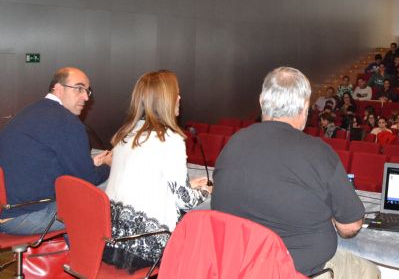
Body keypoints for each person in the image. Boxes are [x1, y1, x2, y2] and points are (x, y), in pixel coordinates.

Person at [211, 67, 379, 278]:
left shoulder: (233, 143)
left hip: (238, 267)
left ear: (262, 101)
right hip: (296, 272)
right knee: (370, 271)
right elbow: (350, 226)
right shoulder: (318, 152)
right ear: (305, 107)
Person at [102, 71, 211, 270]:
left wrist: (188, 185)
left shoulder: (126, 135)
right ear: (165, 100)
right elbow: (185, 201)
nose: (180, 98)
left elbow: (144, 182)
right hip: (146, 247)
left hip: (110, 241)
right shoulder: (169, 140)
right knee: (208, 221)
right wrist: (206, 190)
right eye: (176, 94)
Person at [0, 67, 111, 235]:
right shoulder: (67, 122)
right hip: (26, 215)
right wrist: (108, 165)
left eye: (87, 91)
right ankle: (84, 253)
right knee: (110, 202)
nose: (86, 97)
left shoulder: (29, 112)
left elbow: (44, 162)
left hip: (7, 210)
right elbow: (87, 179)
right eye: (79, 89)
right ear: (58, 89)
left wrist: (92, 164)